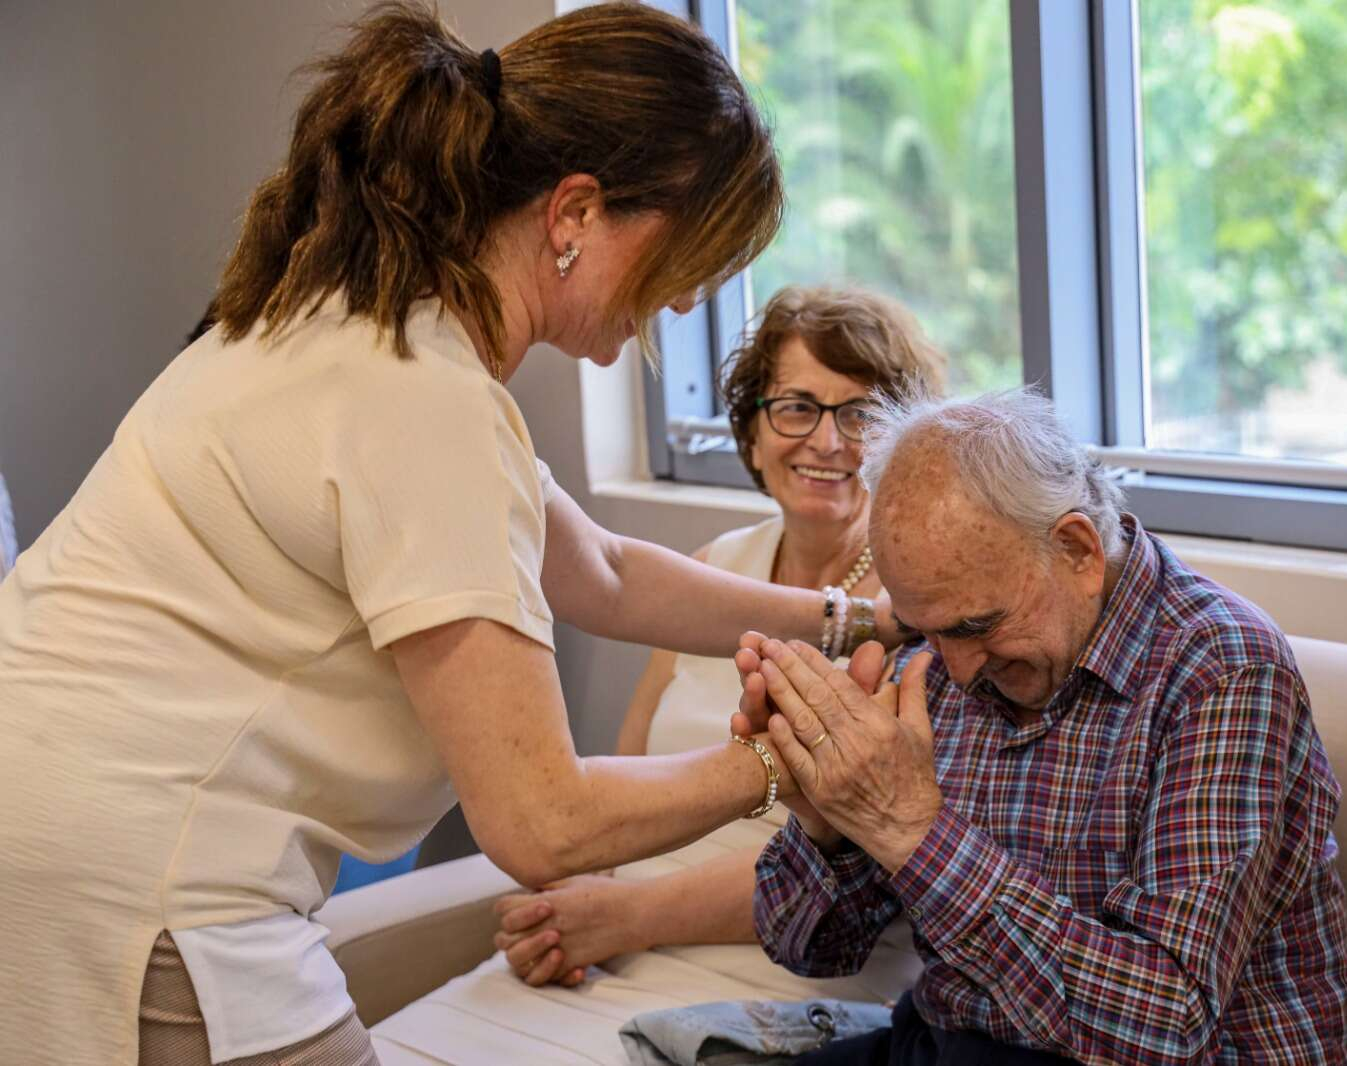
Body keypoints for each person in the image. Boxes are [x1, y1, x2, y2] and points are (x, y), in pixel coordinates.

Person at [0, 5, 895, 1064]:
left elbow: (600, 572)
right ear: (576, 210)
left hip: (58, 836)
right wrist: (794, 758)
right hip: (138, 880)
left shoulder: (360, 325)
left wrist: (852, 617)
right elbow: (541, 824)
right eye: (690, 254)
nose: (692, 294)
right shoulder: (423, 400)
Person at [739, 390, 1347, 1064]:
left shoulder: (1221, 671)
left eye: (976, 627)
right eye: (926, 632)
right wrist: (831, 826)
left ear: (1077, 551)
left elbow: (1164, 1027)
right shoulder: (946, 662)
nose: (955, 667)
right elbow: (809, 949)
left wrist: (910, 833)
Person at [492, 284, 947, 985]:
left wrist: (624, 914)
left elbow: (868, 852)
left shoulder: (919, 608)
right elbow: (631, 759)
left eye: (859, 415)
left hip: (783, 964)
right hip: (611, 935)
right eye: (797, 408)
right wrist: (572, 913)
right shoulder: (710, 571)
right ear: (754, 431)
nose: (826, 441)